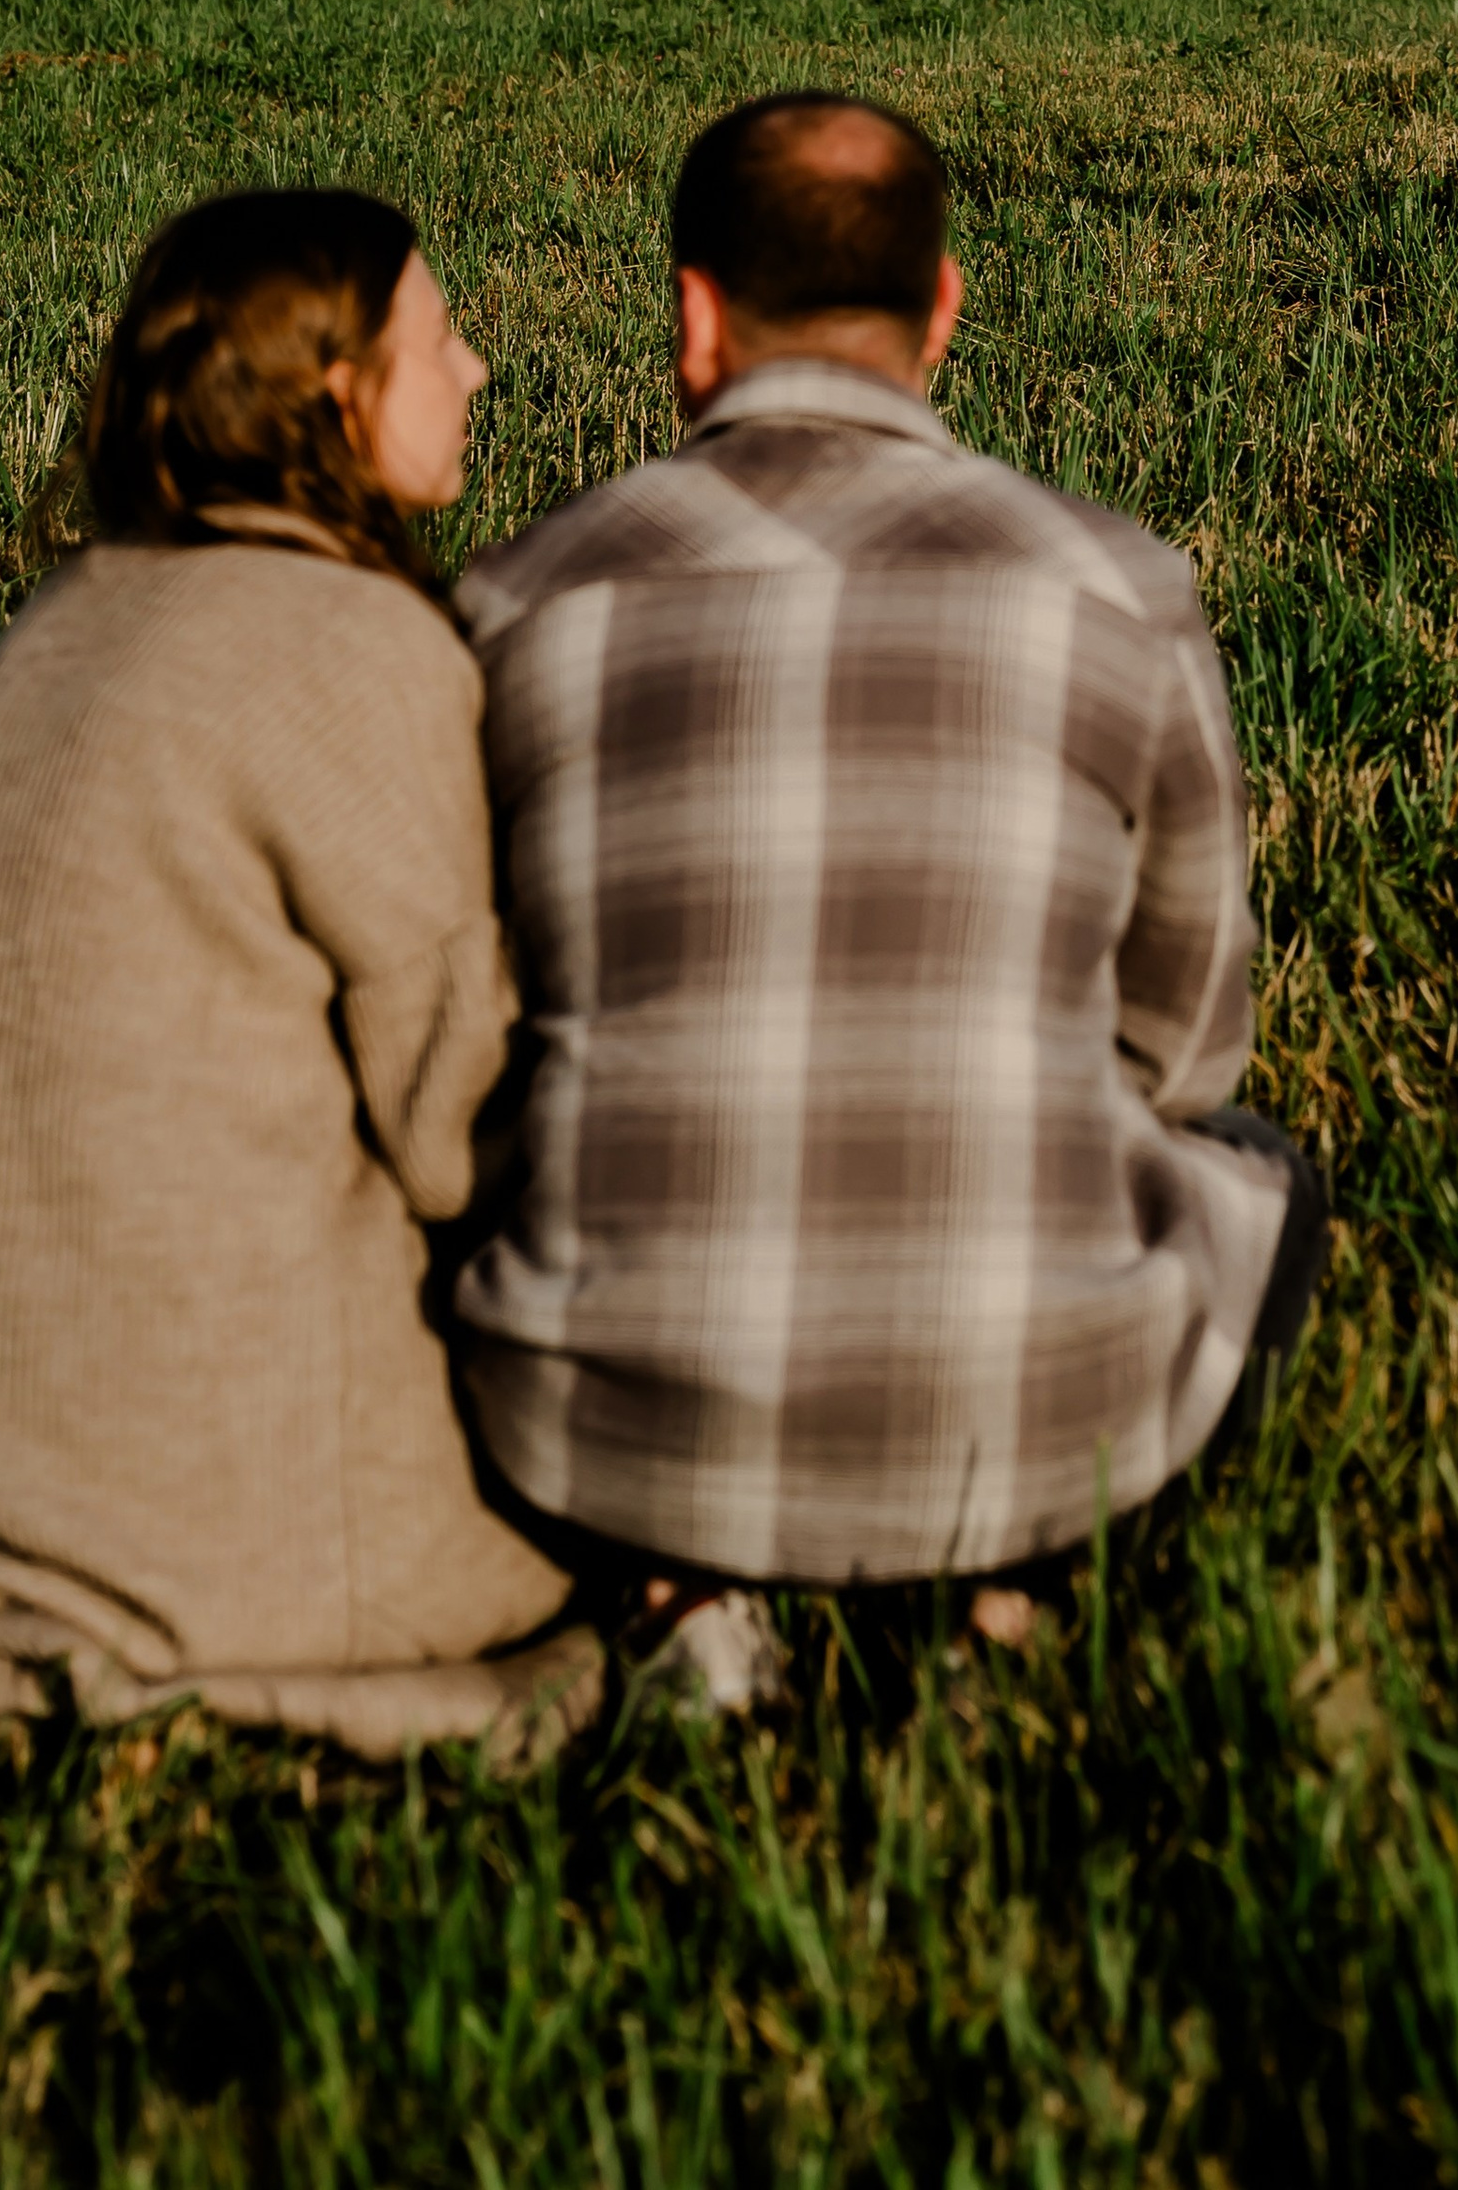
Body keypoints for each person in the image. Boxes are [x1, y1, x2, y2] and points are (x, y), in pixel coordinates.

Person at [450, 90, 1324, 1660]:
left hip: (595, 1422)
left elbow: (477, 1045)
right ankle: (1016, 1568)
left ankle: (685, 1590)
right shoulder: (1120, 588)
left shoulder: (516, 603)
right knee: (1266, 1169)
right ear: (943, 313)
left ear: (694, 317)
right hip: (1051, 1418)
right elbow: (1192, 1052)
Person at [0, 189, 599, 1764]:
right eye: (440, 339)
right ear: (338, 394)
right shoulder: (354, 646)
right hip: (178, 1466)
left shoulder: (65, 622)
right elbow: (465, 1125)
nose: (481, 372)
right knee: (634, 1535)